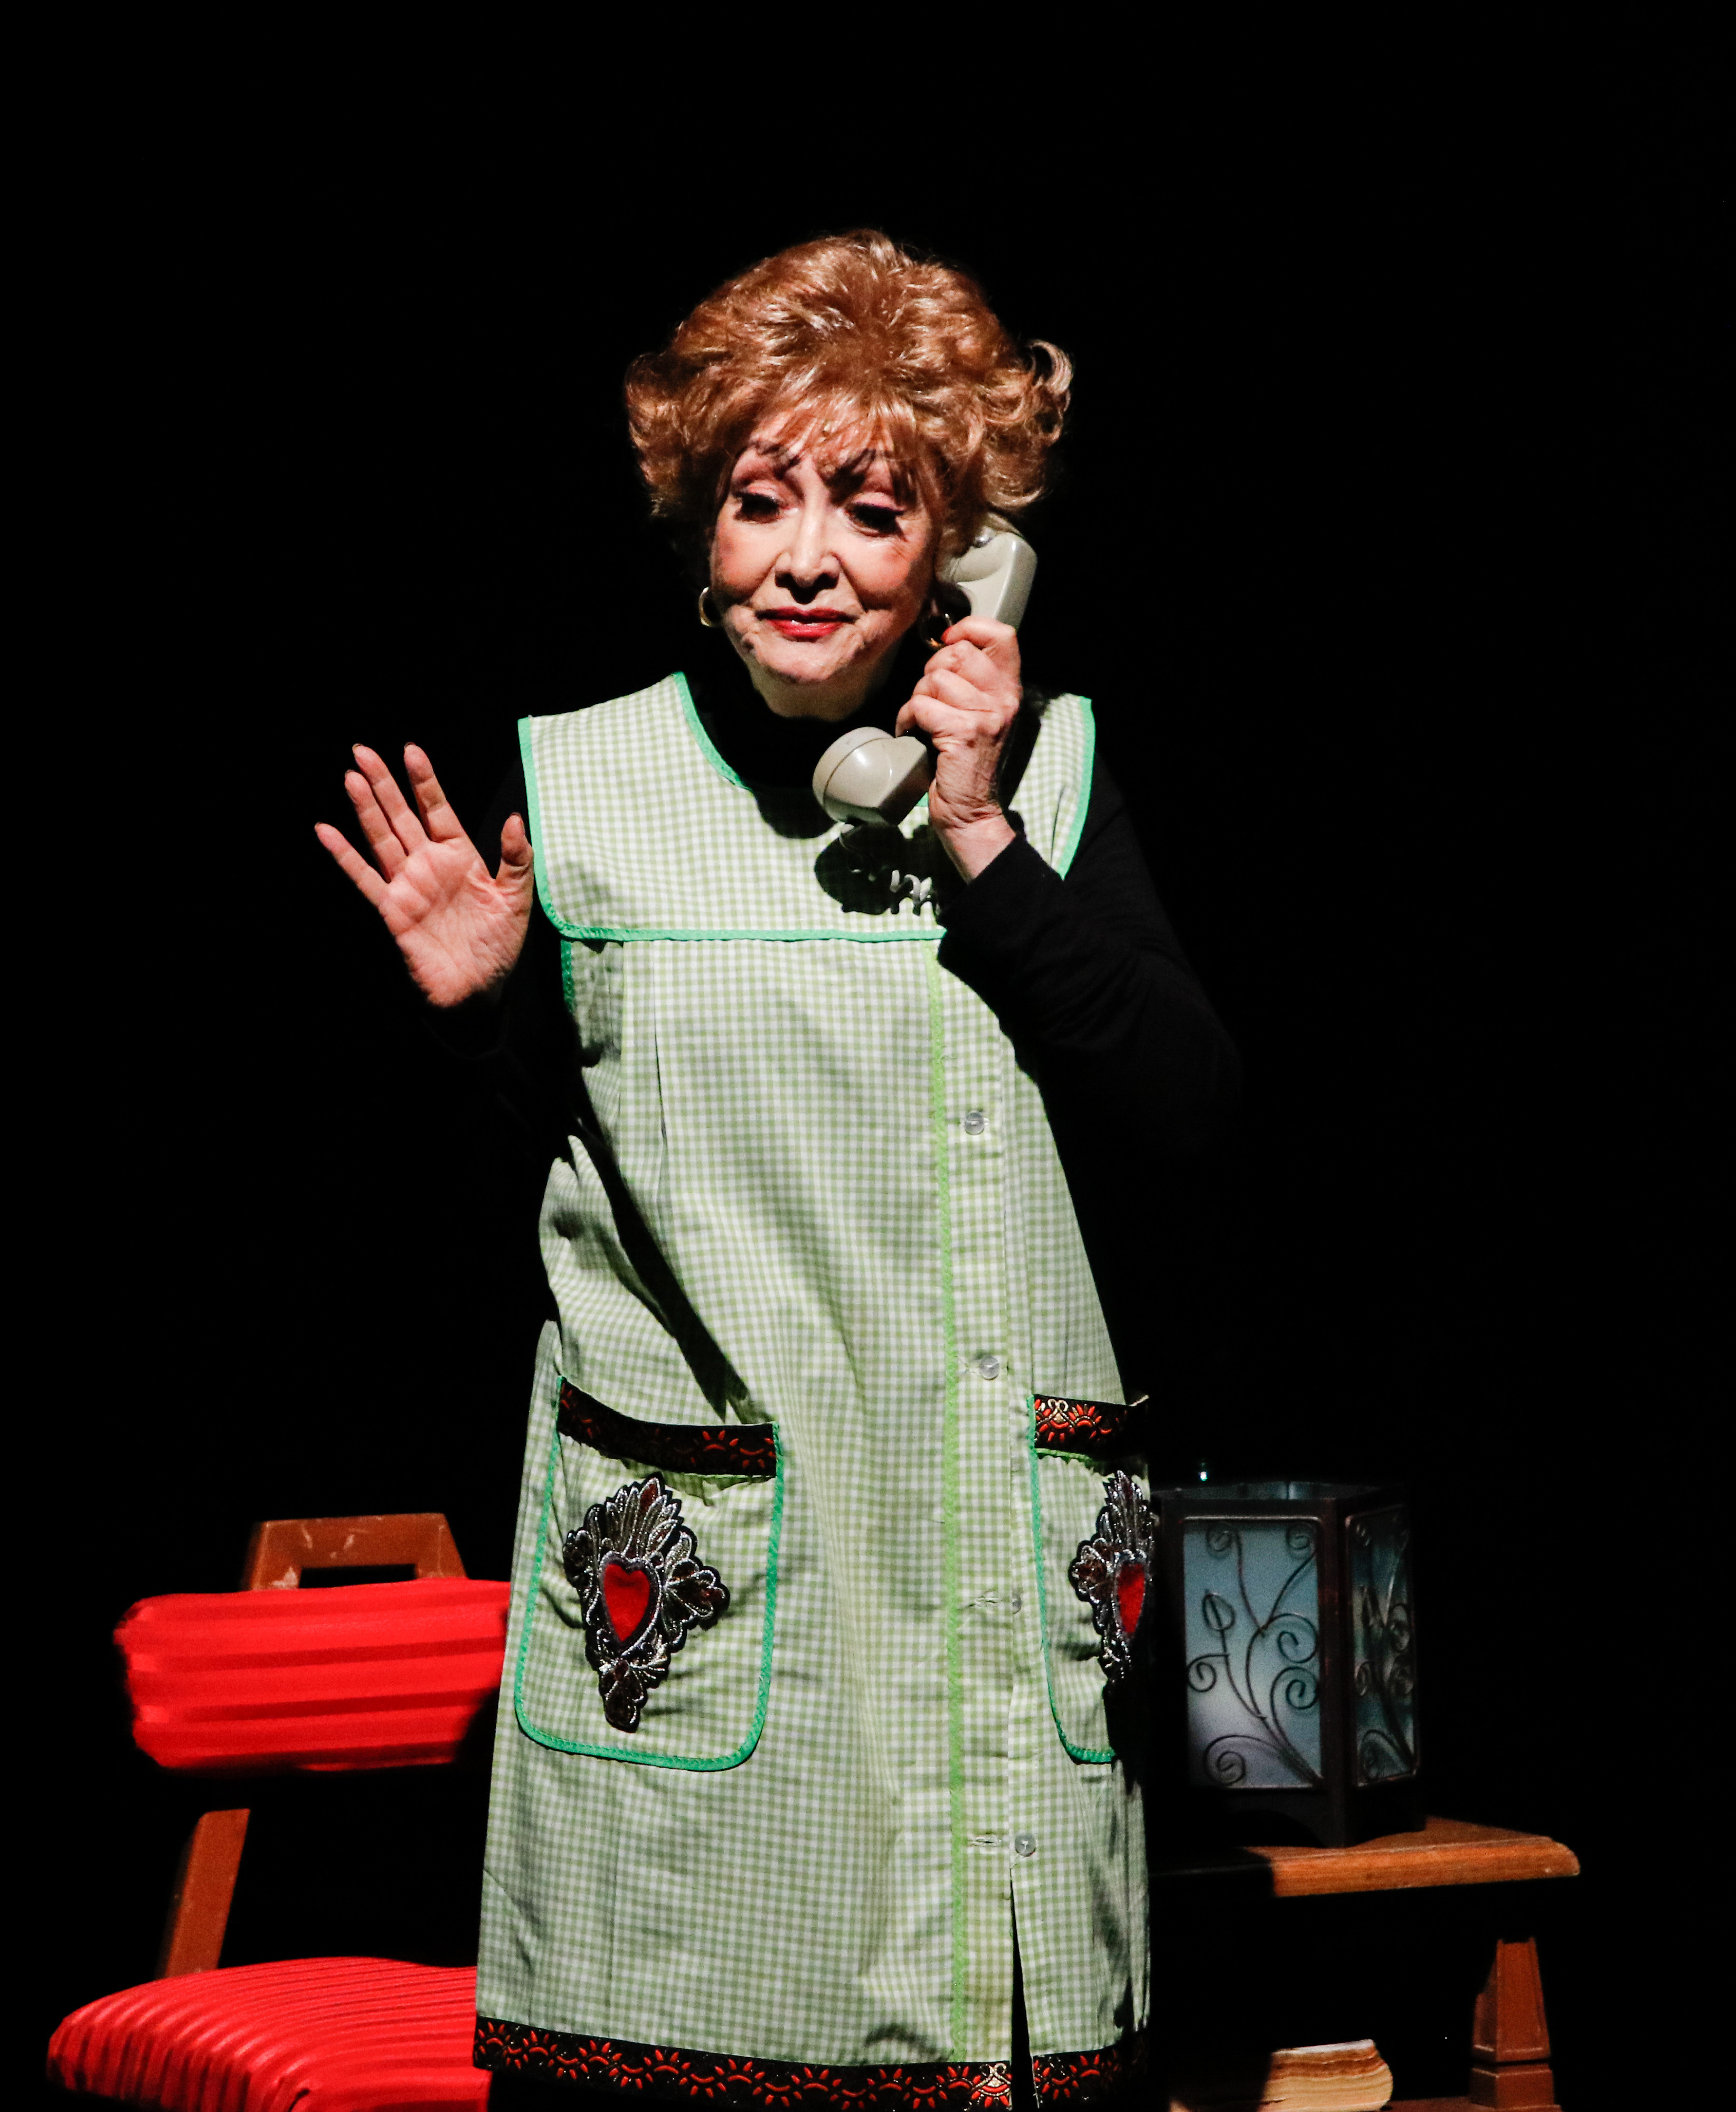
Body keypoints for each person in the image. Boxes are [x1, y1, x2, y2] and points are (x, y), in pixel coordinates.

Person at [314, 232, 1239, 2109]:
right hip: (741, 1605)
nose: (810, 556)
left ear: (959, 560)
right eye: (761, 502)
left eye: (875, 509)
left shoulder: (1043, 782)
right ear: (694, 528)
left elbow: (1194, 1123)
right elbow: (504, 1221)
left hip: (973, 1598)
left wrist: (974, 835)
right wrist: (486, 1022)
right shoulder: (573, 792)